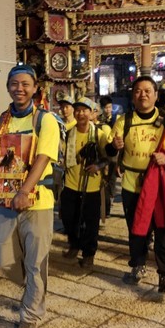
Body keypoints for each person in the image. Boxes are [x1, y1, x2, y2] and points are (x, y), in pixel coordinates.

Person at [0, 64, 60, 328]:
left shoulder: (45, 120)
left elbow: (43, 158)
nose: (19, 88)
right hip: (4, 200)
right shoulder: (0, 120)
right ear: (8, 86)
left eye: (25, 84)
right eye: (14, 83)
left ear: (35, 88)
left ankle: (30, 314)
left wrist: (25, 190)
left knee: (36, 263)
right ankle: (31, 291)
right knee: (4, 256)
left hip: (37, 203)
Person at [109, 76, 165, 293]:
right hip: (132, 185)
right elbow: (109, 151)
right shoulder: (124, 120)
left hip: (159, 185)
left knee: (164, 230)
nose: (143, 95)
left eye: (147, 91)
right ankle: (138, 266)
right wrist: (114, 146)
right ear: (133, 95)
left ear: (156, 94)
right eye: (138, 91)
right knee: (136, 230)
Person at [60, 97, 109, 269]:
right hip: (71, 184)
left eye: (84, 110)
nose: (81, 113)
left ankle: (89, 253)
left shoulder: (99, 135)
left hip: (92, 187)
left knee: (91, 223)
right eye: (78, 110)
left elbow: (108, 157)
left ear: (91, 112)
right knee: (68, 218)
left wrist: (98, 165)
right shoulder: (67, 132)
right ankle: (74, 244)